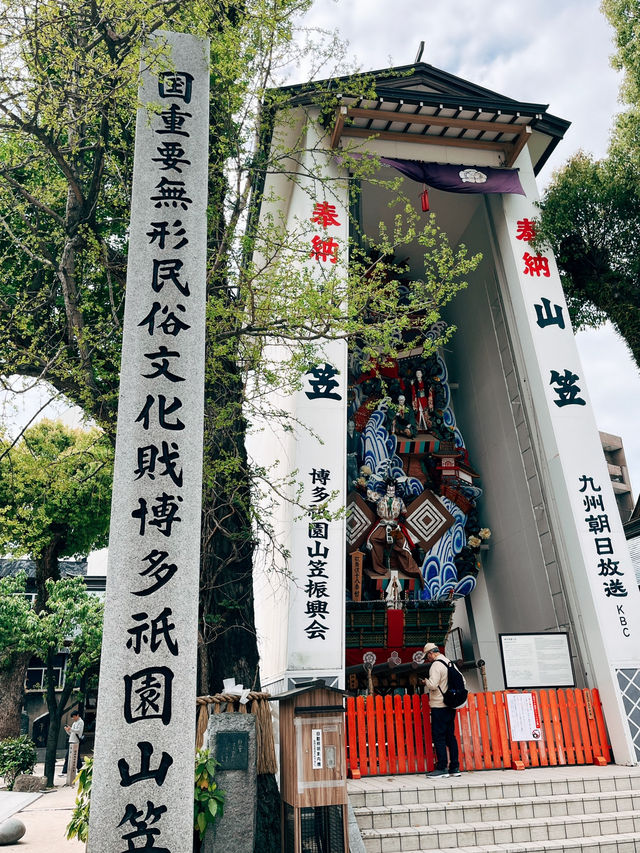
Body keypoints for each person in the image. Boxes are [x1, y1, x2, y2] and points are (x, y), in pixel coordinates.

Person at [421, 642, 463, 778]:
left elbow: (433, 685)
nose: (428, 659)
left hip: (439, 705)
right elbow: (462, 681)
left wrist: (425, 682)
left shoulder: (436, 665)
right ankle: (454, 768)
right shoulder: (450, 663)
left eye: (427, 656)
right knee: (450, 736)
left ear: (431, 653)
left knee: (439, 736)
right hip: (450, 705)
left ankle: (441, 768)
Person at [60, 710, 84, 774]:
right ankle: (80, 769)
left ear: (77, 715)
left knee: (69, 756)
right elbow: (71, 733)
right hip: (71, 740)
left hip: (76, 741)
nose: (73, 718)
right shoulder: (74, 723)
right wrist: (67, 730)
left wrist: (70, 729)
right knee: (76, 757)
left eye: (74, 717)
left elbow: (78, 731)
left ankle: (65, 771)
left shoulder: (81, 722)